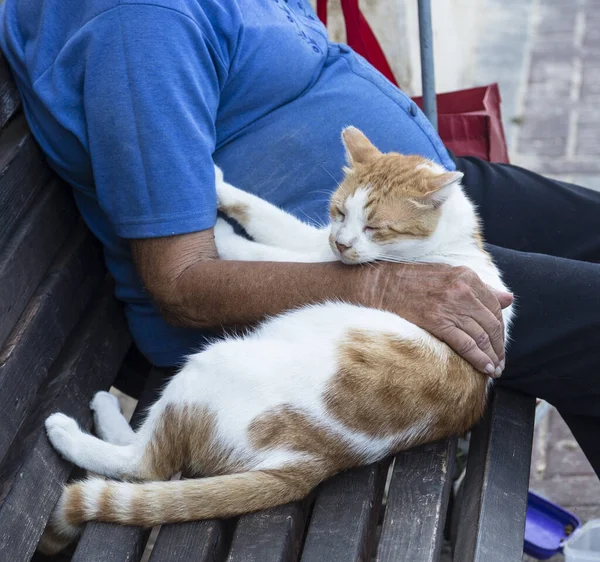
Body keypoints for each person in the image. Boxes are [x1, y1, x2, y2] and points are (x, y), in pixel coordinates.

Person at [1, 0, 598, 473]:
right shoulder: (140, 26)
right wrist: (387, 286)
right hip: (345, 276)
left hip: (409, 219)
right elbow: (181, 283)